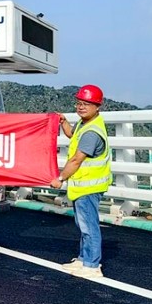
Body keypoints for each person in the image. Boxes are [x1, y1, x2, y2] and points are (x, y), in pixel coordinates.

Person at [51, 84, 112, 278]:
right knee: (83, 224)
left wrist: (60, 178)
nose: (81, 107)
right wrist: (64, 122)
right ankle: (83, 258)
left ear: (97, 106)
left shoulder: (91, 133)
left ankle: (92, 265)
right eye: (79, 103)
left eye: (87, 104)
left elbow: (76, 160)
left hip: (89, 187)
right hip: (83, 186)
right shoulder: (84, 124)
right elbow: (72, 134)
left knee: (88, 226)